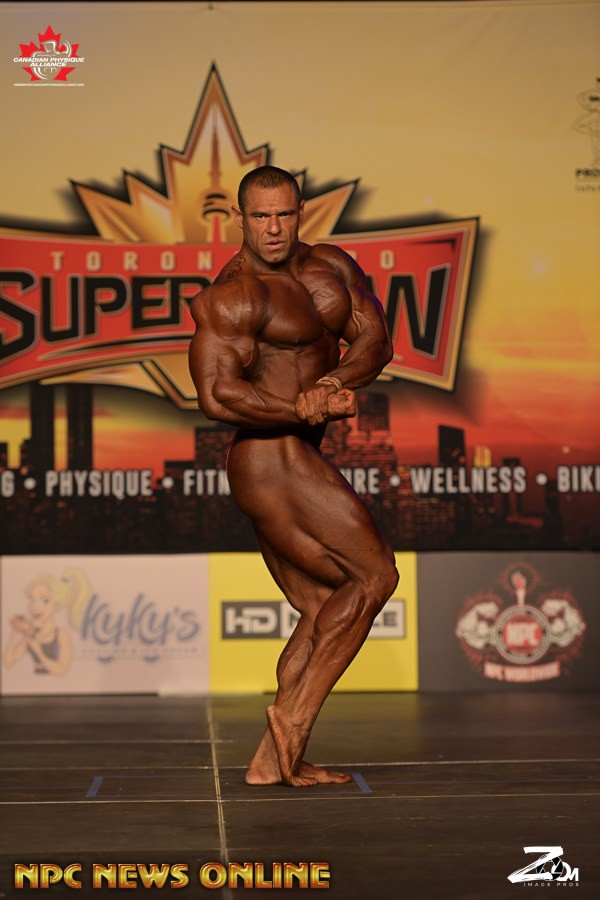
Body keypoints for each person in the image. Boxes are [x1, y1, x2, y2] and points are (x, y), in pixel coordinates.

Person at [188, 166, 399, 787]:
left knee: (319, 605)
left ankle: (267, 763)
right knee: (376, 576)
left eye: (284, 214)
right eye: (261, 216)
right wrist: (297, 409)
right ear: (240, 218)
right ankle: (295, 718)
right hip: (268, 458)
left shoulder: (330, 266)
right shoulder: (234, 295)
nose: (274, 228)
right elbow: (217, 395)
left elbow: (375, 341)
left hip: (294, 454)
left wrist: (331, 382)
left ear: (300, 211)